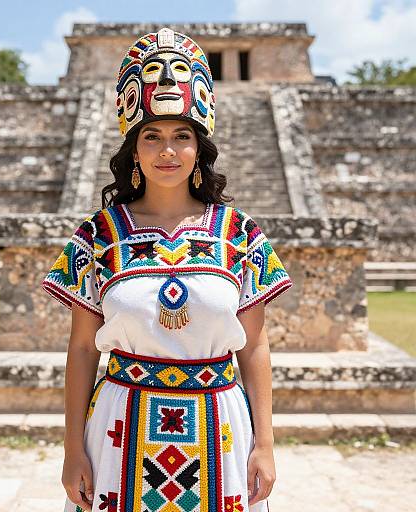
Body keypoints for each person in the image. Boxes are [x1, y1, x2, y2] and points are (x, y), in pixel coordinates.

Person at [42, 27, 293, 512]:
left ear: (199, 150)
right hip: (118, 429)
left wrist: (265, 444)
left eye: (182, 137)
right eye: (151, 137)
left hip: (220, 426)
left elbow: (255, 345)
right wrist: (73, 448)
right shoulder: (99, 234)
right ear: (133, 151)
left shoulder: (238, 234)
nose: (167, 150)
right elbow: (79, 348)